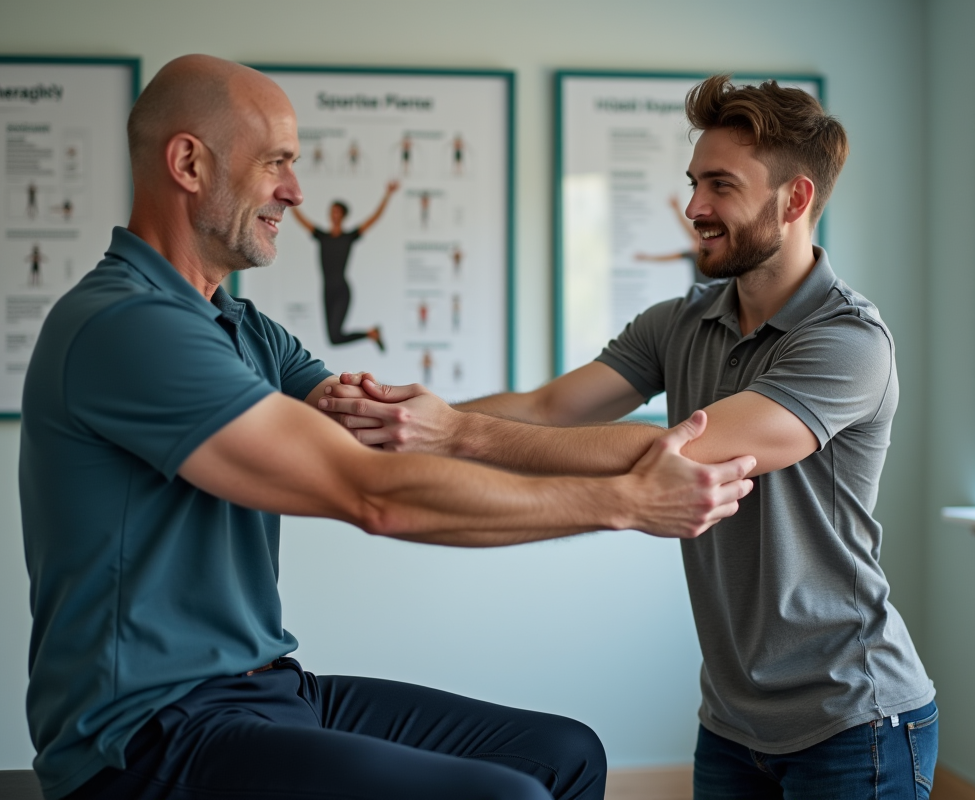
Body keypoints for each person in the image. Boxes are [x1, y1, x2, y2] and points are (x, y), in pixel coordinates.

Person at [18, 55, 756, 800]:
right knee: (506, 797)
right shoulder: (127, 325)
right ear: (188, 162)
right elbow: (374, 492)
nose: (296, 192)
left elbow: (402, 436)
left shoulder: (244, 331)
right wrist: (626, 503)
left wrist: (653, 458)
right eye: (276, 162)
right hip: (146, 735)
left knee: (563, 756)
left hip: (267, 691)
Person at [326, 76, 938, 799]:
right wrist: (404, 419)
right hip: (734, 719)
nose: (694, 208)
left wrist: (456, 432)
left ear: (795, 200)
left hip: (852, 714)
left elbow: (671, 456)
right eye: (693, 183)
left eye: (720, 186)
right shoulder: (681, 321)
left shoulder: (847, 342)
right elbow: (550, 406)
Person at [290, 182, 396, 349]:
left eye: (337, 212)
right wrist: (289, 201)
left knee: (336, 336)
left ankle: (371, 334)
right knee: (334, 339)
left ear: (343, 215)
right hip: (326, 290)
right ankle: (371, 334)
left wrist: (387, 195)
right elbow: (302, 220)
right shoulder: (322, 236)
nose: (334, 215)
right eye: (332, 212)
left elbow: (373, 218)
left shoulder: (349, 237)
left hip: (341, 290)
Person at [633, 194, 711, 286]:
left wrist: (676, 209)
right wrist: (647, 258)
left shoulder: (712, 251)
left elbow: (690, 232)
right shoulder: (692, 253)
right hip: (701, 292)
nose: (693, 242)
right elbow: (666, 257)